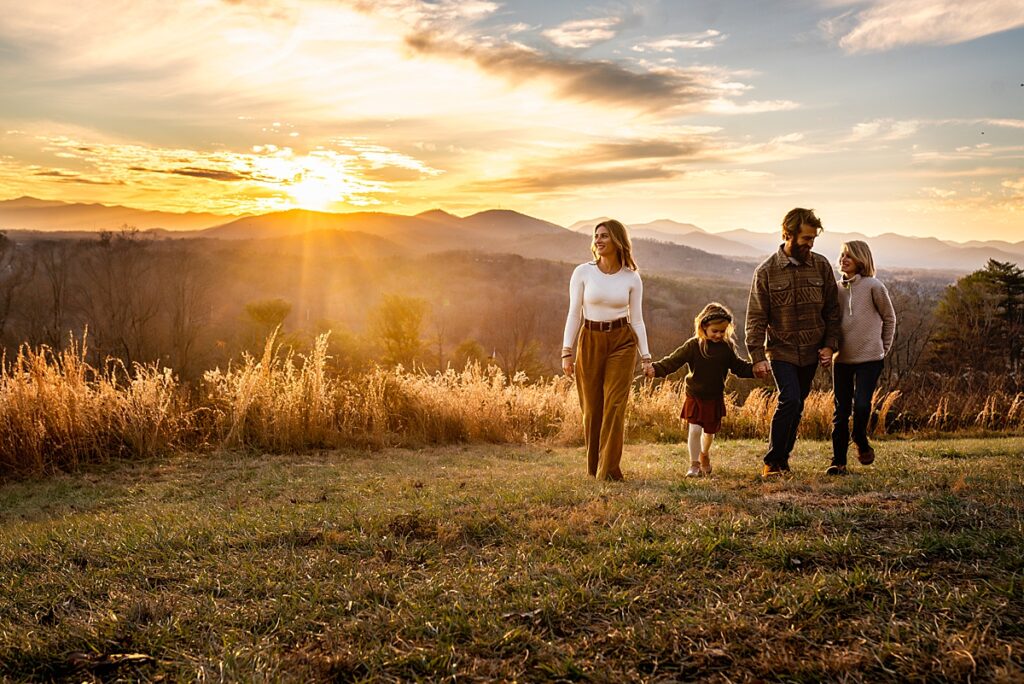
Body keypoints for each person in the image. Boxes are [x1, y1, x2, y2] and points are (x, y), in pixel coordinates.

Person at [745, 208, 841, 478]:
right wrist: (757, 355)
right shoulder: (766, 272)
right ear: (787, 234)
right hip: (781, 350)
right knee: (790, 399)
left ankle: (784, 458)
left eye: (813, 239)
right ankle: (772, 461)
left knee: (798, 405)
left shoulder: (821, 266)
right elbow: (755, 317)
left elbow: (832, 312)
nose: (810, 244)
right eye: (806, 238)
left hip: (812, 351)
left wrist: (829, 345)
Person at [562, 220, 652, 481]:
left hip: (622, 342)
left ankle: (609, 471)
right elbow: (573, 313)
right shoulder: (582, 272)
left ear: (617, 241)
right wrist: (566, 350)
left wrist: (646, 356)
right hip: (589, 339)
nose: (599, 240)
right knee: (592, 408)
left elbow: (637, 319)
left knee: (614, 404)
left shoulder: (631, 277)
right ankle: (594, 468)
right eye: (596, 236)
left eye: (605, 236)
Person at [644, 302, 755, 477]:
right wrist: (655, 369)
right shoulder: (694, 345)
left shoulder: (727, 348)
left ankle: (704, 454)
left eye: (722, 331)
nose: (719, 335)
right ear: (704, 327)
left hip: (714, 397)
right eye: (715, 331)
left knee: (709, 434)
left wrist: (755, 370)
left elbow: (739, 367)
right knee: (695, 430)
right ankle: (694, 464)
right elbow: (673, 361)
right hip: (694, 395)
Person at [828, 240, 896, 475]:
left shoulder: (873, 286)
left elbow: (889, 318)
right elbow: (831, 322)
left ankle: (859, 437)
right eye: (842, 255)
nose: (843, 259)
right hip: (842, 360)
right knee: (841, 410)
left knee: (863, 404)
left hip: (870, 359)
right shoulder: (835, 289)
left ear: (861, 260)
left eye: (850, 255)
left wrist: (883, 347)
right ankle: (838, 462)